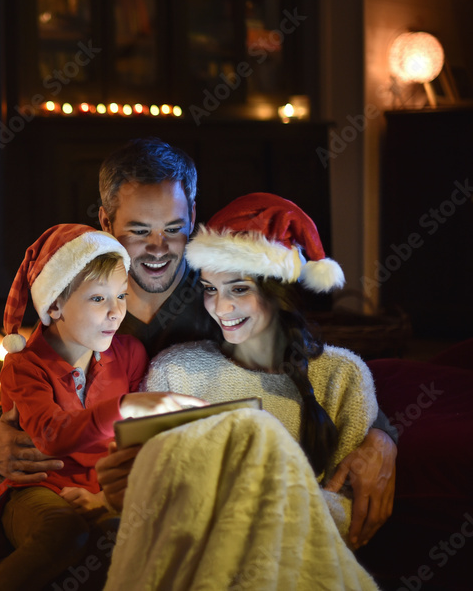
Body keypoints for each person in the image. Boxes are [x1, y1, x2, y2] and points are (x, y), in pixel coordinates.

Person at [0, 138, 397, 550]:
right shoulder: (81, 303)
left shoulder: (222, 296)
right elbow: (33, 387)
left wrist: (382, 437)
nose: (158, 249)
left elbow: (308, 365)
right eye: (140, 231)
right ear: (106, 223)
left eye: (173, 229)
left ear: (193, 217)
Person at [103, 192, 381, 589]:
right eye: (210, 289)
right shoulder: (176, 371)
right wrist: (124, 493)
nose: (220, 307)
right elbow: (159, 508)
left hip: (294, 567)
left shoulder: (341, 375)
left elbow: (351, 519)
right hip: (197, 567)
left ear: (277, 291)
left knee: (255, 434)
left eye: (237, 289)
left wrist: (246, 504)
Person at [0, 224, 205, 591]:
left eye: (122, 296)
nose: (116, 312)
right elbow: (50, 434)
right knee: (62, 532)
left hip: (102, 489)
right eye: (98, 299)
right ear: (55, 305)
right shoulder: (24, 367)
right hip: (37, 488)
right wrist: (127, 405)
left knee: (122, 539)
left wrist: (104, 497)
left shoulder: (129, 354)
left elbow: (131, 444)